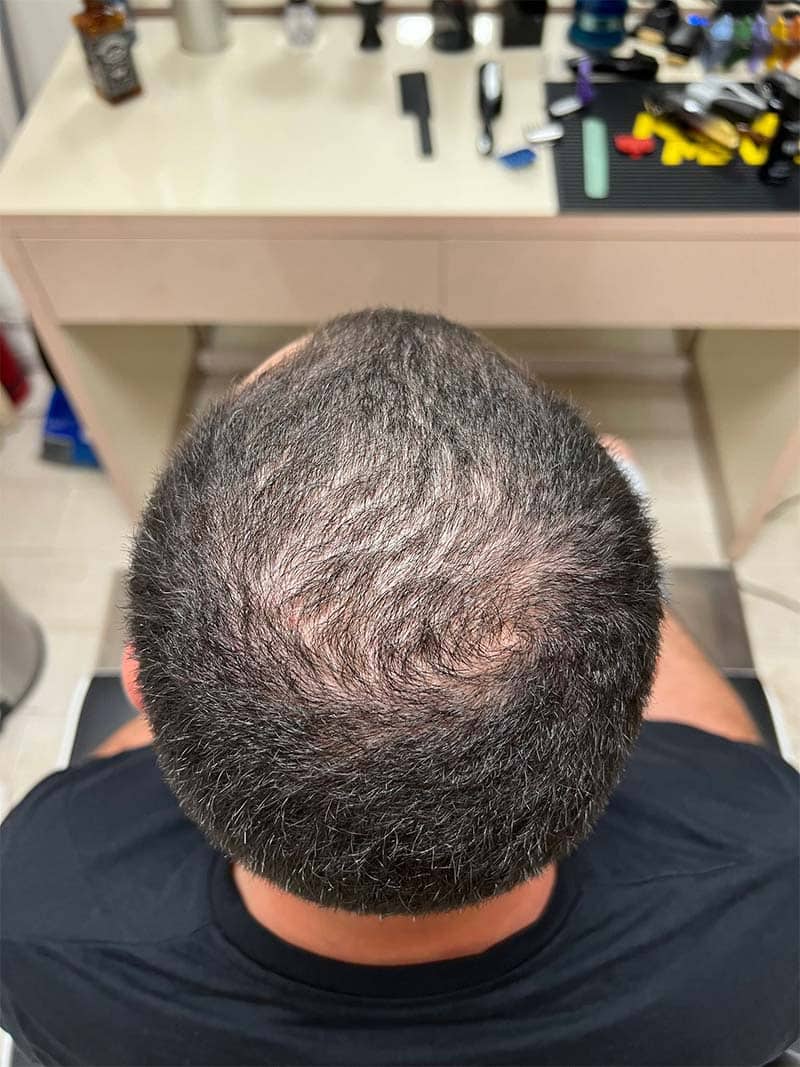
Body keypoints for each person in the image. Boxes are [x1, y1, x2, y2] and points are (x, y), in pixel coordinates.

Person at [1, 309, 797, 1066]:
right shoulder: (770, 887)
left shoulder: (41, 910)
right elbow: (727, 763)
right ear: (631, 691)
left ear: (138, 685)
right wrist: (634, 561)